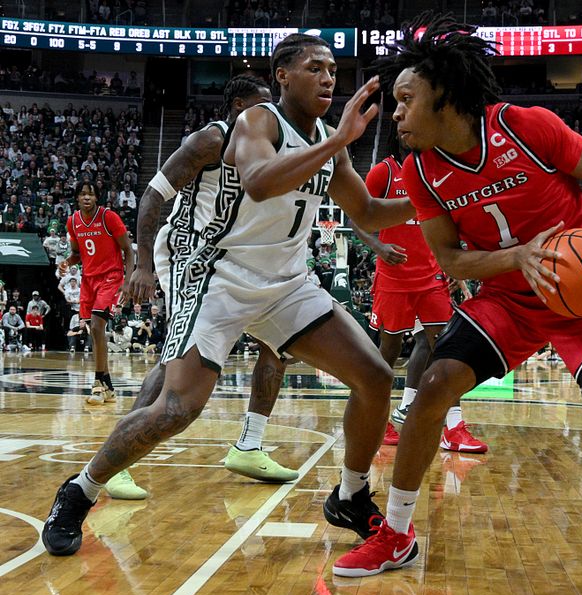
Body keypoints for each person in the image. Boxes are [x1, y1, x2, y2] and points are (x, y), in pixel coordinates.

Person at [332, 15, 582, 577]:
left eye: (406, 99)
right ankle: (398, 535)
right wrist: (518, 258)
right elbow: (451, 261)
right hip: (508, 300)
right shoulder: (421, 174)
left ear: (446, 96)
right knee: (432, 385)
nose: (397, 113)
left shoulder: (527, 125)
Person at [42, 33, 415, 557]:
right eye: (315, 67)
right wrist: (336, 142)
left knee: (375, 376)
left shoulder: (331, 139)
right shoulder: (256, 122)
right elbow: (261, 182)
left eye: (333, 69)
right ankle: (79, 491)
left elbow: (370, 213)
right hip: (221, 278)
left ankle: (351, 494)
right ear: (283, 75)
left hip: (288, 284)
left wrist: (437, 204)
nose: (329, 78)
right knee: (177, 409)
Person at [117, 76, 298, 497]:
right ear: (238, 105)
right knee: (176, 359)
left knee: (279, 345)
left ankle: (249, 444)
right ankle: (119, 462)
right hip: (188, 250)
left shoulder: (271, 143)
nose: (269, 112)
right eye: (261, 104)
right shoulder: (209, 140)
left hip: (236, 255)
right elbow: (152, 196)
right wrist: (142, 265)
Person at [351, 127, 486, 452]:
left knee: (447, 349)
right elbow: (357, 216)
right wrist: (378, 247)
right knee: (388, 353)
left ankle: (453, 429)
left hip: (431, 277)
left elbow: (449, 225)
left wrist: (453, 267)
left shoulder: (435, 174)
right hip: (393, 278)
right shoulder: (384, 171)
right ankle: (378, 420)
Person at [61, 182, 134, 406]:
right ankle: (109, 386)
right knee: (94, 331)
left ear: (96, 198)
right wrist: (66, 262)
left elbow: (128, 251)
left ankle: (97, 384)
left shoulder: (108, 217)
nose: (86, 198)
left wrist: (128, 281)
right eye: (82, 194)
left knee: (96, 326)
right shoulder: (73, 222)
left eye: (90, 194)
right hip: (89, 279)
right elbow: (76, 254)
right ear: (77, 198)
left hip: (111, 277)